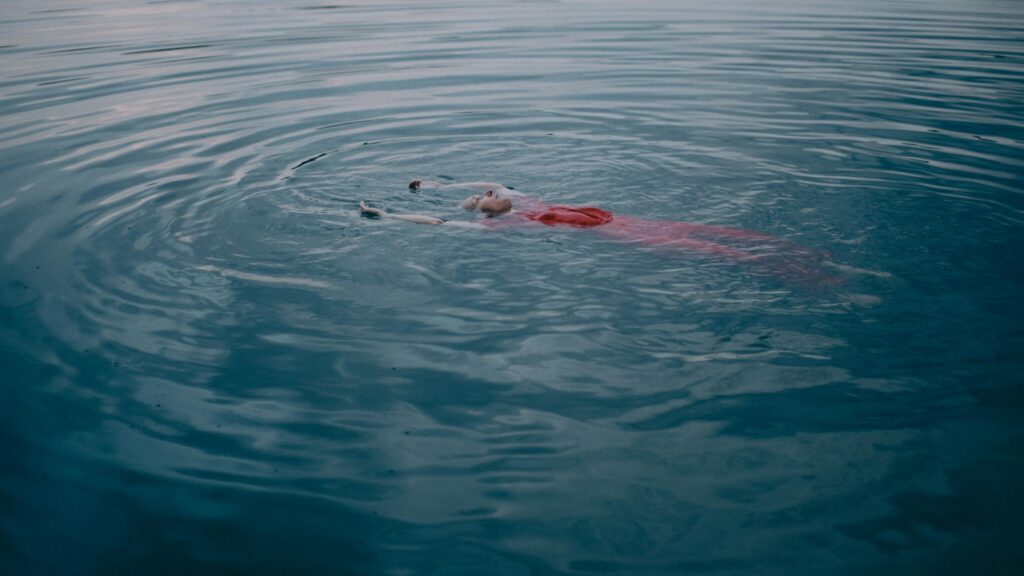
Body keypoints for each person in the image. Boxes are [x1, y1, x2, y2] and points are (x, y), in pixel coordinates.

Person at [360, 179, 839, 284]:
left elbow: (499, 182)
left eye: (488, 192)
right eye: (482, 198)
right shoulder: (494, 227)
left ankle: (802, 255)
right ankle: (799, 274)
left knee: (714, 230)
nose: (490, 192)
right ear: (482, 211)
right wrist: (384, 215)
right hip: (608, 234)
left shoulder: (520, 202)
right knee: (699, 247)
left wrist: (444, 183)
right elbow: (435, 222)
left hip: (617, 220)